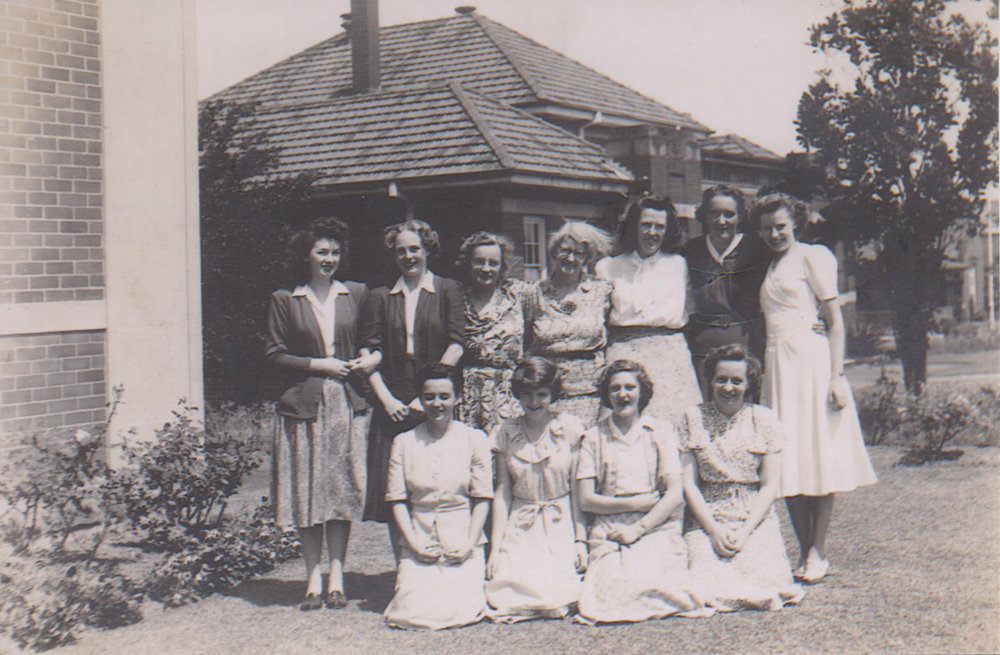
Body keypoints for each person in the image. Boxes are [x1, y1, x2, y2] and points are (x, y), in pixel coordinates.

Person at [753, 193, 877, 583]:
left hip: (811, 363)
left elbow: (834, 321)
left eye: (781, 226)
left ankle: (817, 551)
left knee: (818, 454)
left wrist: (836, 376)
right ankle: (804, 549)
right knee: (785, 456)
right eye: (767, 228)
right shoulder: (770, 264)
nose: (774, 234)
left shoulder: (812, 255)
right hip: (778, 366)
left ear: (795, 224)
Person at [264, 217, 376, 610]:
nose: (329, 259)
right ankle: (313, 578)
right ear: (306, 255)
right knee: (308, 490)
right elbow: (274, 354)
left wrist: (367, 357)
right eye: (322, 252)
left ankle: (337, 578)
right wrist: (319, 364)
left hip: (345, 404)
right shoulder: (286, 298)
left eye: (335, 252)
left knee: (340, 490)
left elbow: (370, 341)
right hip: (304, 406)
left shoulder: (355, 293)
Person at [575, 360, 709, 623]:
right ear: (606, 394)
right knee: (610, 589)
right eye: (615, 389)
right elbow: (586, 500)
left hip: (656, 523)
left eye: (629, 387)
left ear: (642, 392)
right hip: (610, 525)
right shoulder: (593, 437)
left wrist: (638, 528)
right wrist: (634, 504)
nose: (622, 395)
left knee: (659, 580)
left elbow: (674, 494)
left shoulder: (661, 431)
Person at [360, 219, 465, 539]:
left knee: (438, 482)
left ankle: (440, 554)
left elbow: (456, 344)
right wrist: (386, 400)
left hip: (435, 397)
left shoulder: (446, 289)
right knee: (395, 490)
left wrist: (430, 394)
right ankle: (404, 563)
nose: (408, 257)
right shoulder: (380, 296)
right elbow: (368, 351)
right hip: (392, 400)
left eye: (414, 249)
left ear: (427, 250)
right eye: (401, 251)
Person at [679, 344, 804, 611]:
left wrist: (746, 530)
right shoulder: (693, 418)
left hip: (753, 515)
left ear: (749, 384)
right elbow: (689, 484)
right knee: (703, 584)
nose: (728, 388)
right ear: (710, 380)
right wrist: (713, 530)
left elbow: (769, 486)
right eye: (721, 379)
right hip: (707, 514)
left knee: (766, 581)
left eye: (737, 381)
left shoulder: (765, 419)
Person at [383, 364, 492, 630]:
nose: (437, 404)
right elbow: (397, 501)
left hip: (462, 537)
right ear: (420, 399)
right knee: (410, 610)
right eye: (429, 397)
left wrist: (469, 544)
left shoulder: (474, 439)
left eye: (444, 396)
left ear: (458, 398)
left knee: (461, 609)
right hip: (419, 537)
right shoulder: (403, 442)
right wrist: (414, 545)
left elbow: (482, 497)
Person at [485, 356, 587, 622]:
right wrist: (495, 548)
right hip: (522, 520)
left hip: (560, 520)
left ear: (553, 394)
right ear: (518, 394)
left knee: (558, 593)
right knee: (509, 592)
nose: (534, 402)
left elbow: (577, 489)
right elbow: (503, 492)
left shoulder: (569, 428)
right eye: (527, 394)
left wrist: (581, 540)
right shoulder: (505, 432)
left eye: (542, 394)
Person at [596, 195, 702, 424]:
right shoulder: (607, 267)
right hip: (625, 354)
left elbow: (691, 309)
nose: (652, 232)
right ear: (633, 226)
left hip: (670, 356)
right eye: (646, 224)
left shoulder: (679, 264)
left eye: (659, 226)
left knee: (676, 423)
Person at [683, 185, 770, 388]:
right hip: (703, 345)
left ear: (740, 216)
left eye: (729, 214)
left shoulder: (758, 250)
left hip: (747, 343)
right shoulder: (691, 250)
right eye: (715, 213)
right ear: (705, 216)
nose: (722, 221)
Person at [527, 221, 613, 425]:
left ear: (587, 258)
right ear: (553, 251)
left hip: (590, 393)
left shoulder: (602, 291)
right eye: (565, 250)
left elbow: (611, 342)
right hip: (547, 393)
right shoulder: (534, 293)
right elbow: (525, 345)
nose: (571, 258)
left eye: (578, 253)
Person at [456, 231, 531, 433]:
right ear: (468, 263)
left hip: (510, 393)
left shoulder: (518, 295)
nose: (486, 268)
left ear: (502, 265)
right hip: (467, 395)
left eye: (493, 263)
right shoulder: (456, 298)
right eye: (479, 262)